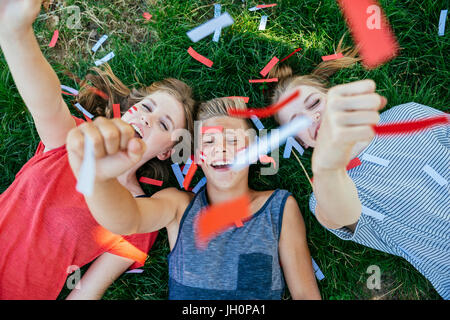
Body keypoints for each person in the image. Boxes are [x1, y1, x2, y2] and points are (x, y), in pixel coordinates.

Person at [0, 0, 195, 299]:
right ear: (129, 112)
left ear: (167, 151)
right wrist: (15, 33)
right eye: (147, 106)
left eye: (164, 124)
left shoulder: (141, 217)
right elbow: (46, 103)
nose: (147, 117)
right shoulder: (76, 138)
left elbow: (86, 291)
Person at [67, 97, 322, 299]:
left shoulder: (279, 207)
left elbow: (304, 294)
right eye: (210, 141)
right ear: (199, 157)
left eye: (233, 139)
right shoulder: (179, 207)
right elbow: (126, 220)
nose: (221, 148)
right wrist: (98, 180)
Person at [269, 39, 449, 299]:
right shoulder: (325, 193)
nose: (313, 118)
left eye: (314, 103)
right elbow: (336, 213)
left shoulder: (407, 115)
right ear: (304, 143)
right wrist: (328, 170)